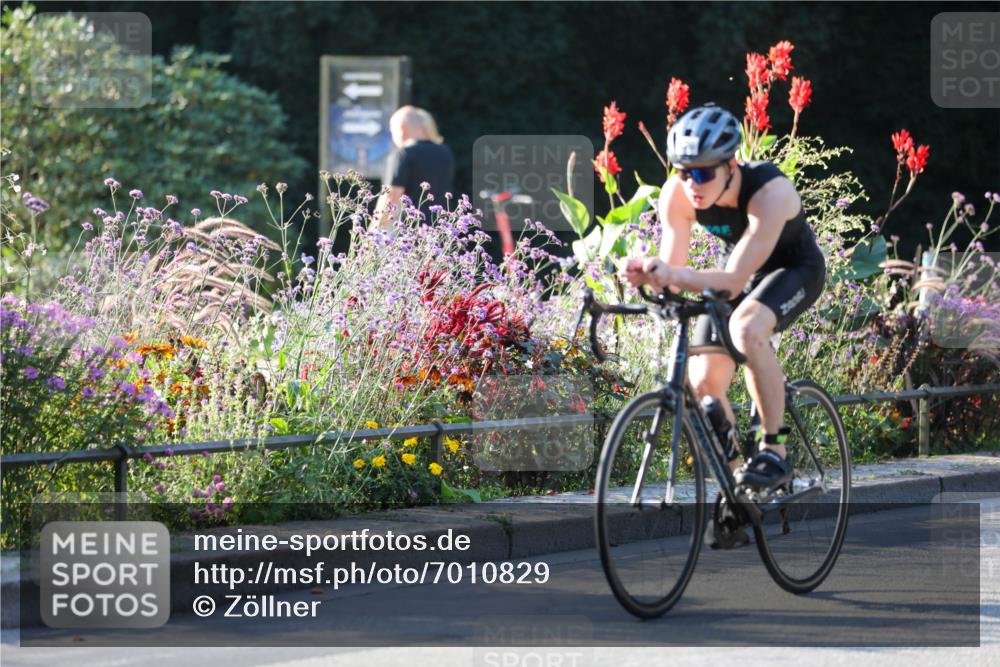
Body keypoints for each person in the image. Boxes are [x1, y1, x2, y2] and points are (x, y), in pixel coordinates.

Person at [619, 103, 826, 544]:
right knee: (702, 385)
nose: (692, 184)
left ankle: (775, 449)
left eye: (703, 173)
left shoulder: (769, 192)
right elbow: (673, 270)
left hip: (795, 270)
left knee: (748, 328)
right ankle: (739, 493)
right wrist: (651, 278)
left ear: (731, 164)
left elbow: (732, 282)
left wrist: (671, 275)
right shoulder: (677, 194)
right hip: (746, 276)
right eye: (682, 172)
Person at [375, 106, 455, 231]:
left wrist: (375, 228)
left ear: (401, 129)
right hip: (439, 230)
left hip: (407, 234)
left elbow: (391, 197)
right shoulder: (445, 152)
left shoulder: (403, 153)